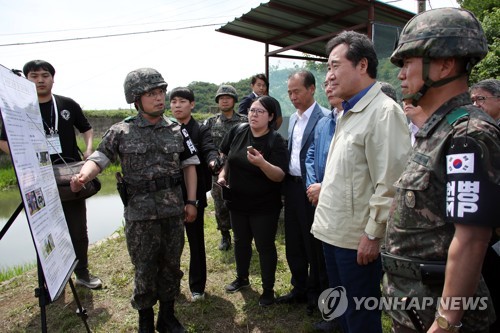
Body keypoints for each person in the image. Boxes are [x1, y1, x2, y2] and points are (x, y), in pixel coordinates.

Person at [383, 8, 500, 333]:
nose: (401, 73)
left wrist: (446, 324)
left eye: (408, 62)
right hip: (413, 304)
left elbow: (472, 238)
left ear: (446, 63)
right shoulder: (438, 130)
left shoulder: (468, 133)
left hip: (439, 315)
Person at [70, 68, 199, 333]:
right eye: (151, 93)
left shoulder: (177, 130)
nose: (159, 98)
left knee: (172, 266)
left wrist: (192, 202)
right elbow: (99, 159)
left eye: (161, 92)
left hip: (173, 212)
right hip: (140, 216)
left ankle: (168, 317)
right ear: (135, 99)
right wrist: (83, 176)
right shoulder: (121, 131)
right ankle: (145, 322)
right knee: (144, 268)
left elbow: (189, 166)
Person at [311, 31, 411, 333]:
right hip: (333, 231)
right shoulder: (348, 112)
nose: (329, 75)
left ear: (362, 65)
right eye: (328, 67)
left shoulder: (383, 112)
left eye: (334, 65)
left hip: (356, 240)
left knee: (361, 316)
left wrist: (373, 233)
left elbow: (392, 181)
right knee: (342, 309)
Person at [0, 60, 102, 290]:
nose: (40, 80)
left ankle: (82, 273)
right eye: (33, 76)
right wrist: (22, 159)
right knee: (44, 229)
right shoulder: (18, 110)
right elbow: (3, 140)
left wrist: (88, 150)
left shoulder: (67, 104)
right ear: (25, 81)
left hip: (69, 176)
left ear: (53, 78)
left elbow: (86, 128)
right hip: (37, 180)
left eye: (45, 75)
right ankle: (50, 279)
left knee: (78, 229)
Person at [218, 95, 288, 306]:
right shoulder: (238, 131)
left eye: (259, 111)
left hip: (264, 206)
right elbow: (227, 156)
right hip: (237, 202)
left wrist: (262, 163)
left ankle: (268, 289)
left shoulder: (275, 141)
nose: (253, 114)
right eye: (251, 110)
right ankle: (242, 278)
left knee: (265, 246)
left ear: (271, 117)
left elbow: (280, 175)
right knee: (240, 242)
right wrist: (222, 174)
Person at [277, 70, 329, 316]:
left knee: (313, 244)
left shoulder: (325, 118)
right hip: (291, 186)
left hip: (312, 188)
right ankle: (298, 286)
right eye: (289, 92)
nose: (293, 97)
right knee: (294, 240)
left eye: (297, 91)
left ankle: (316, 293)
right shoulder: (292, 121)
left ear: (311, 89)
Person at [170, 87, 220, 302]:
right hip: (169, 194)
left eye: (182, 101)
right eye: (173, 101)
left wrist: (212, 160)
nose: (177, 105)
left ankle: (197, 286)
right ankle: (170, 284)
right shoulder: (165, 127)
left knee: (195, 240)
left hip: (194, 193)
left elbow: (209, 148)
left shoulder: (201, 129)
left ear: (192, 104)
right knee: (170, 242)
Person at [203, 85, 247, 251]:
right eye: (221, 98)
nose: (225, 100)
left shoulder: (244, 121)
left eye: (228, 97)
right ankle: (224, 235)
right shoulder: (211, 122)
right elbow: (206, 144)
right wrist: (214, 159)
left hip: (240, 169)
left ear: (234, 100)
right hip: (219, 169)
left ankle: (241, 234)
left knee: (241, 201)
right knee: (220, 204)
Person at [305, 85, 343, 207]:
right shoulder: (324, 122)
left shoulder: (356, 120)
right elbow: (311, 155)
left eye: (334, 84)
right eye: (326, 85)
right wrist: (312, 187)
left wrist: (324, 187)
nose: (329, 89)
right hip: (319, 197)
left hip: (340, 198)